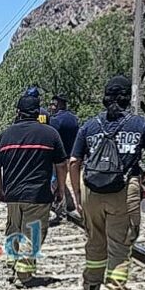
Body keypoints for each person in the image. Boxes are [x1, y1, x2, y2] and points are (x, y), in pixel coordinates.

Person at [70, 76, 145, 290]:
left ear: (105, 97)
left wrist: (77, 194)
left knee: (95, 241)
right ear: (127, 98)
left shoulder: (90, 126)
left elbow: (74, 162)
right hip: (124, 191)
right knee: (119, 247)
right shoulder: (139, 124)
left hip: (91, 190)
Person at [0, 95, 68, 289]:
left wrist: (0, 190)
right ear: (37, 113)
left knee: (14, 228)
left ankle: (12, 262)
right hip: (38, 194)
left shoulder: (5, 135)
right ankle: (24, 274)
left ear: (18, 112)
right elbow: (61, 165)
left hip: (13, 194)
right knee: (32, 233)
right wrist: (60, 188)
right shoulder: (50, 134)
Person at [49, 93, 80, 222]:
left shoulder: (55, 120)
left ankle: (54, 208)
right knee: (67, 182)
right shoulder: (74, 119)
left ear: (59, 104)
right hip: (72, 155)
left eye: (54, 104)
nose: (52, 106)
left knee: (55, 182)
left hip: (59, 157)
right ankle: (70, 206)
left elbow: (52, 138)